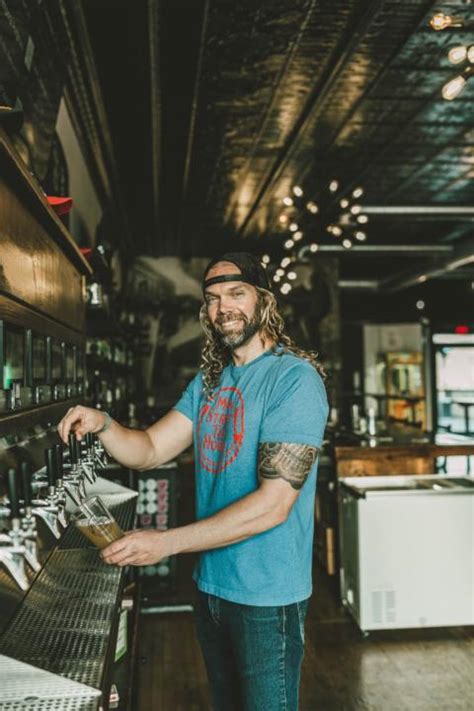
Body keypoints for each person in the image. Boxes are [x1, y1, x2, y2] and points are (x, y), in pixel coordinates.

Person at [58, 252, 328, 711]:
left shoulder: (293, 380)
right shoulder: (209, 382)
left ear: (264, 300)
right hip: (212, 587)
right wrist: (102, 423)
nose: (224, 308)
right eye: (213, 298)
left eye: (236, 294)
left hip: (267, 595)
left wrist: (165, 543)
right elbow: (149, 449)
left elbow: (274, 505)